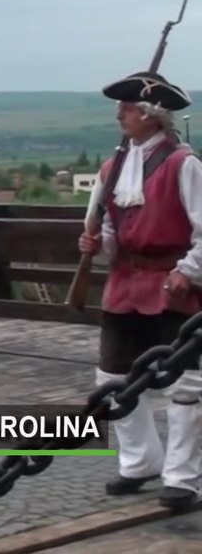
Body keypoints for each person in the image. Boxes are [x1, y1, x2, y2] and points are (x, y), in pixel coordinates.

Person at [76, 70, 201, 510]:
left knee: (187, 384)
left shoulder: (183, 164)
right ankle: (140, 462)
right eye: (120, 107)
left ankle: (184, 477)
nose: (119, 114)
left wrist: (189, 270)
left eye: (128, 108)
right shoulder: (111, 168)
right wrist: (97, 244)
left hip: (174, 285)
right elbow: (110, 229)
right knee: (114, 379)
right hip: (124, 284)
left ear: (152, 114)